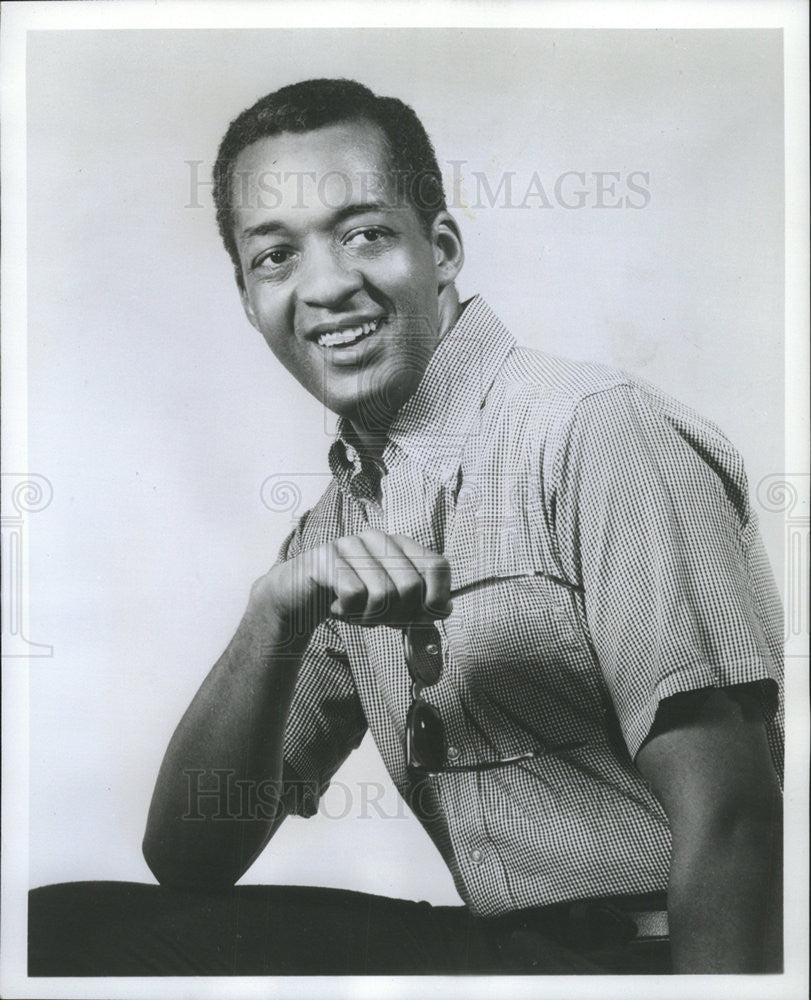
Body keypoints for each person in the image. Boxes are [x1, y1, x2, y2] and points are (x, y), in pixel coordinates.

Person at [29, 78, 784, 977]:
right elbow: (189, 860)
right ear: (246, 300)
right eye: (274, 257)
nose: (326, 286)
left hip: (646, 961)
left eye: (364, 234)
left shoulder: (593, 430)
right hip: (500, 955)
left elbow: (734, 820)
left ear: (443, 249)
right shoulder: (335, 526)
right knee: (66, 930)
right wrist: (270, 620)